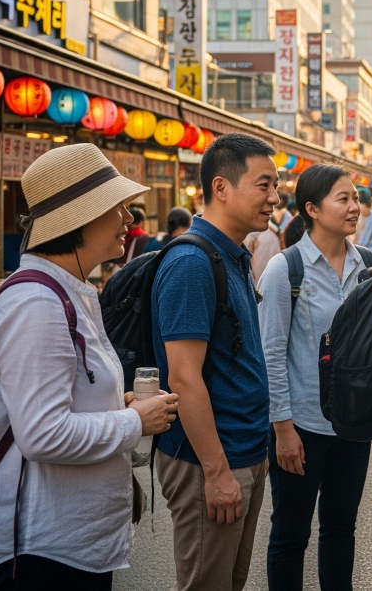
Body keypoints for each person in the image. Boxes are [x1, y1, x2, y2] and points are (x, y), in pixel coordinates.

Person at [0, 143, 179, 589]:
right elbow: (42, 434)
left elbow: (62, 403)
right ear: (80, 218)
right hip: (38, 552)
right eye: (117, 206)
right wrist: (133, 421)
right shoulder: (37, 305)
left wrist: (120, 406)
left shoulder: (66, 292)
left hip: (68, 544)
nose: (128, 218)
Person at [152, 133, 280, 591]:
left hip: (243, 452)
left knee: (229, 581)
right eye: (264, 185)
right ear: (221, 187)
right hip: (211, 458)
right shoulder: (192, 262)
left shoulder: (233, 254)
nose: (274, 198)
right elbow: (184, 378)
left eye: (276, 186)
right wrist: (217, 471)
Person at [258, 166, 370, 591]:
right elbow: (271, 354)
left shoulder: (368, 265)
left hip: (353, 424)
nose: (355, 206)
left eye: (355, 197)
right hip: (301, 425)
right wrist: (283, 429)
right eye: (343, 198)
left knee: (341, 529)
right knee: (290, 534)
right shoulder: (285, 269)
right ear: (312, 209)